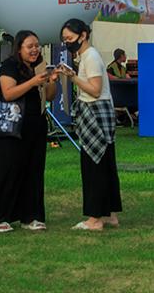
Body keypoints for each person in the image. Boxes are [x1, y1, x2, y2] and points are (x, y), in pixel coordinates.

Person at [0, 30, 58, 233]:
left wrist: (52, 80)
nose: (35, 50)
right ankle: (0, 216)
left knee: (34, 170)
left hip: (36, 123)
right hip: (12, 125)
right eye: (30, 46)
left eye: (37, 45)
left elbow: (50, 96)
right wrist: (33, 82)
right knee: (9, 169)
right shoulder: (9, 66)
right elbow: (8, 94)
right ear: (19, 48)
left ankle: (31, 216)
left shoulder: (40, 65)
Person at [58, 18, 122, 231]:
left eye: (70, 38)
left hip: (95, 113)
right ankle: (110, 214)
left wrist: (72, 77)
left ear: (83, 35)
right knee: (105, 164)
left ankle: (94, 219)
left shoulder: (91, 56)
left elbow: (95, 89)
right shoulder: (85, 56)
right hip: (99, 114)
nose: (67, 43)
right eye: (64, 39)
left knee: (94, 165)